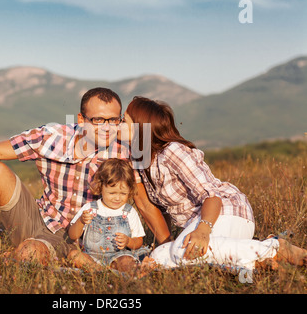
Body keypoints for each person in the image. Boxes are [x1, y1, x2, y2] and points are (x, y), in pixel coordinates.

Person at [0, 87, 131, 269]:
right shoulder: (52, 137)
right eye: (98, 120)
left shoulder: (123, 151)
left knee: (29, 255)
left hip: (85, 237)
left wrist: (161, 242)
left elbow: (145, 196)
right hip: (41, 219)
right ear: (82, 120)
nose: (107, 128)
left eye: (113, 120)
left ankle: (11, 257)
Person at [123, 96, 307, 271]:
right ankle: (256, 259)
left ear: (140, 127)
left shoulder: (173, 151)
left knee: (180, 251)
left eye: (125, 121)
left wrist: (203, 229)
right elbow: (148, 206)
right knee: (160, 254)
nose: (120, 125)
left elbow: (212, 196)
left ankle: (275, 248)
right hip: (201, 225)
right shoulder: (139, 159)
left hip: (224, 213)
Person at [68, 158, 149, 272]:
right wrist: (81, 221)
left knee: (127, 262)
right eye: (112, 193)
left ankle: (104, 272)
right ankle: (101, 271)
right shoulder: (90, 208)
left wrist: (128, 241)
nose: (117, 198)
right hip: (92, 257)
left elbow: (139, 241)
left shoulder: (129, 211)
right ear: (101, 187)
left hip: (120, 256)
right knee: (74, 255)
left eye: (123, 193)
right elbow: (72, 235)